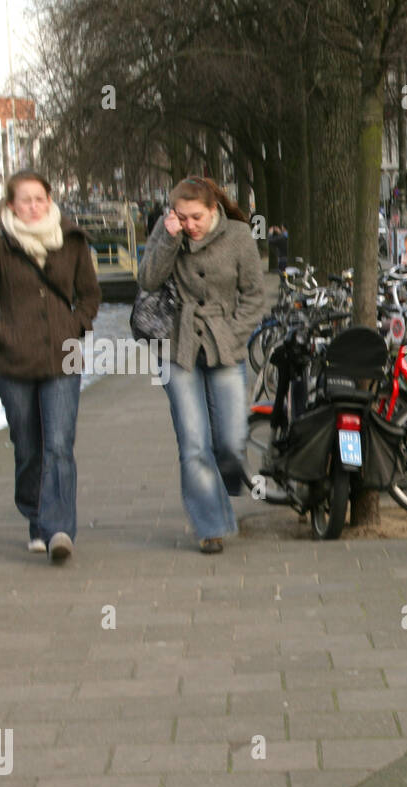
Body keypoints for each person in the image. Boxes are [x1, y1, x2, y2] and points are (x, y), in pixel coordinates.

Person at [0, 170, 101, 564]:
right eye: (26, 200)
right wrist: (1, 334)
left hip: (63, 359)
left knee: (59, 446)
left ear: (50, 200)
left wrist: (77, 325)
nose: (34, 207)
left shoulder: (72, 241)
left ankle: (59, 530)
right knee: (28, 447)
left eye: (40, 198)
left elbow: (90, 296)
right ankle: (36, 516)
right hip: (13, 365)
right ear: (11, 206)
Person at [138, 176, 270, 553]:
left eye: (196, 217)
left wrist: (231, 333)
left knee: (229, 440)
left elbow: (254, 295)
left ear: (213, 210)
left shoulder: (240, 236)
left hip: (224, 344)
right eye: (182, 217)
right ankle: (210, 526)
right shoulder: (169, 233)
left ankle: (222, 491)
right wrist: (168, 237)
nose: (189, 225)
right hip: (176, 346)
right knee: (194, 442)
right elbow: (148, 279)